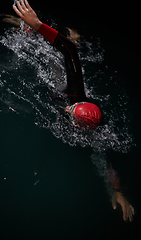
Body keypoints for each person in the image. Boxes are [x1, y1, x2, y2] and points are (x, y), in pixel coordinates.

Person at [13, 0, 135, 221]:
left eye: (71, 115)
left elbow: (106, 159)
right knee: (47, 46)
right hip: (60, 75)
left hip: (58, 98)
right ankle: (41, 29)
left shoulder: (93, 130)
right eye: (72, 110)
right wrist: (38, 25)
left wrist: (117, 191)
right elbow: (68, 51)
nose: (69, 111)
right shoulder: (75, 94)